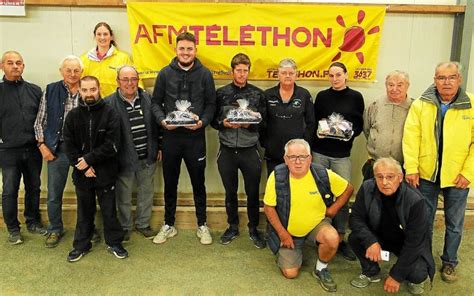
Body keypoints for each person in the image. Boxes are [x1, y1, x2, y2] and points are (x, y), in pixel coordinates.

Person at [403, 61, 474, 283]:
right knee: (424, 220)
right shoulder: (422, 104)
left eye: (451, 77)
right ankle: (424, 259)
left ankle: (450, 262)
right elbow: (411, 137)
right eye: (441, 78)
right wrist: (412, 167)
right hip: (426, 174)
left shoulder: (471, 104)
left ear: (459, 80)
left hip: (457, 176)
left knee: (454, 223)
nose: (446, 82)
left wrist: (468, 173)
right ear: (435, 80)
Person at [151, 32, 216, 245]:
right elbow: (155, 103)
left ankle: (202, 225)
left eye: (189, 49)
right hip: (171, 138)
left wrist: (202, 122)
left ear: (195, 50)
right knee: (170, 183)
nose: (186, 52)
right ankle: (169, 224)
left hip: (195, 138)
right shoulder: (164, 74)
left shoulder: (205, 74)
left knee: (199, 183)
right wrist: (162, 121)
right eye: (182, 49)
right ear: (176, 50)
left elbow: (211, 105)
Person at [264, 139, 353, 292]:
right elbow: (269, 207)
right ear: (285, 159)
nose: (298, 161)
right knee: (290, 274)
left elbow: (348, 189)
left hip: (317, 224)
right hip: (289, 231)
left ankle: (321, 268)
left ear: (310, 158)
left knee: (332, 238)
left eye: (303, 156)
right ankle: (289, 252)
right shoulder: (277, 176)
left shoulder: (321, 173)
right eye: (292, 157)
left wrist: (332, 210)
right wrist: (282, 234)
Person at [63, 76, 127, 262]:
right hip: (82, 174)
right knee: (84, 211)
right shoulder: (72, 116)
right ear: (80, 91)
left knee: (109, 211)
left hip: (106, 173)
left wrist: (89, 160)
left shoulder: (111, 113)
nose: (89, 94)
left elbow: (113, 145)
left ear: (99, 89)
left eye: (92, 89)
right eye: (85, 90)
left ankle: (114, 243)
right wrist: (83, 167)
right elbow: (69, 146)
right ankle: (81, 245)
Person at [349, 157, 435, 295]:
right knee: (355, 239)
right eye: (379, 177)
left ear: (400, 177)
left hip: (405, 243)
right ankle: (372, 271)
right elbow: (355, 218)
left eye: (390, 177)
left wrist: (396, 275)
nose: (384, 182)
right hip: (380, 238)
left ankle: (412, 278)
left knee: (418, 273)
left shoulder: (415, 201)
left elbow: (415, 242)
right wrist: (371, 241)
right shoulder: (367, 188)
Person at [211, 53, 266, 248]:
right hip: (226, 150)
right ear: (231, 71)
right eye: (238, 70)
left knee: (252, 192)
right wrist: (224, 123)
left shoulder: (258, 94)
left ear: (249, 71)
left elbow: (263, 123)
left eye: (245, 70)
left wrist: (247, 125)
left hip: (250, 150)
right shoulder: (221, 93)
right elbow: (213, 120)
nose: (242, 74)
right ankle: (232, 226)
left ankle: (253, 228)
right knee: (230, 191)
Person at [312, 61, 364, 261]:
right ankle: (320, 234)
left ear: (346, 75)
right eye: (331, 75)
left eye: (338, 75)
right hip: (320, 152)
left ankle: (341, 237)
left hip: (342, 155)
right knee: (318, 194)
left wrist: (349, 134)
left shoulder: (356, 97)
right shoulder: (322, 97)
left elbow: (358, 125)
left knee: (342, 195)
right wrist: (320, 133)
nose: (335, 79)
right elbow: (316, 121)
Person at [105, 65, 161, 241]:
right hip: (123, 158)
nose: (130, 83)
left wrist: (159, 146)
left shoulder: (148, 98)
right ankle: (126, 226)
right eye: (125, 79)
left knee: (146, 192)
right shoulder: (108, 103)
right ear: (118, 81)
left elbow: (157, 125)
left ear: (138, 80)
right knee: (124, 195)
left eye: (133, 79)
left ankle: (143, 224)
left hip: (148, 154)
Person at [34, 55, 82, 247]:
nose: (72, 74)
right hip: (56, 149)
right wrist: (42, 145)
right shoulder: (51, 90)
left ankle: (86, 228)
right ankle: (55, 229)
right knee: (54, 193)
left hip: (81, 150)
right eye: (68, 70)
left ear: (82, 72)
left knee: (85, 192)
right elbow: (40, 121)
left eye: (76, 70)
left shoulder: (88, 89)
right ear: (61, 71)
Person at [0, 51, 46, 245]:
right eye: (10, 63)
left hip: (33, 149)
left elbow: (43, 119)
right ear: (2, 66)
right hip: (7, 151)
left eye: (19, 63)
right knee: (10, 190)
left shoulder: (35, 90)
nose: (15, 66)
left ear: (23, 66)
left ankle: (33, 221)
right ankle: (13, 228)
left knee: (34, 187)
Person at [262, 58, 315, 176]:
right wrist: (266, 142)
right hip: (273, 150)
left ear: (296, 75)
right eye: (284, 73)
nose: (287, 76)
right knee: (275, 184)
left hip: (297, 154)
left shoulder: (303, 94)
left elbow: (311, 122)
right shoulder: (267, 95)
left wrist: (305, 144)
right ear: (278, 74)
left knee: (296, 185)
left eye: (291, 73)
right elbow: (262, 122)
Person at [363, 71, 413, 180]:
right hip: (375, 164)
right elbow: (367, 129)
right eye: (391, 85)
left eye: (400, 85)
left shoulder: (414, 107)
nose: (394, 89)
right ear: (386, 85)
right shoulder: (375, 105)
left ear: (407, 86)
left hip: (402, 167)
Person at [81, 22, 140, 98]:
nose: (102, 37)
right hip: (92, 105)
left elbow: (135, 81)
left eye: (105, 34)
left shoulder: (123, 58)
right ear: (95, 37)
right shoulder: (84, 59)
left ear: (111, 37)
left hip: (115, 105)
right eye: (99, 34)